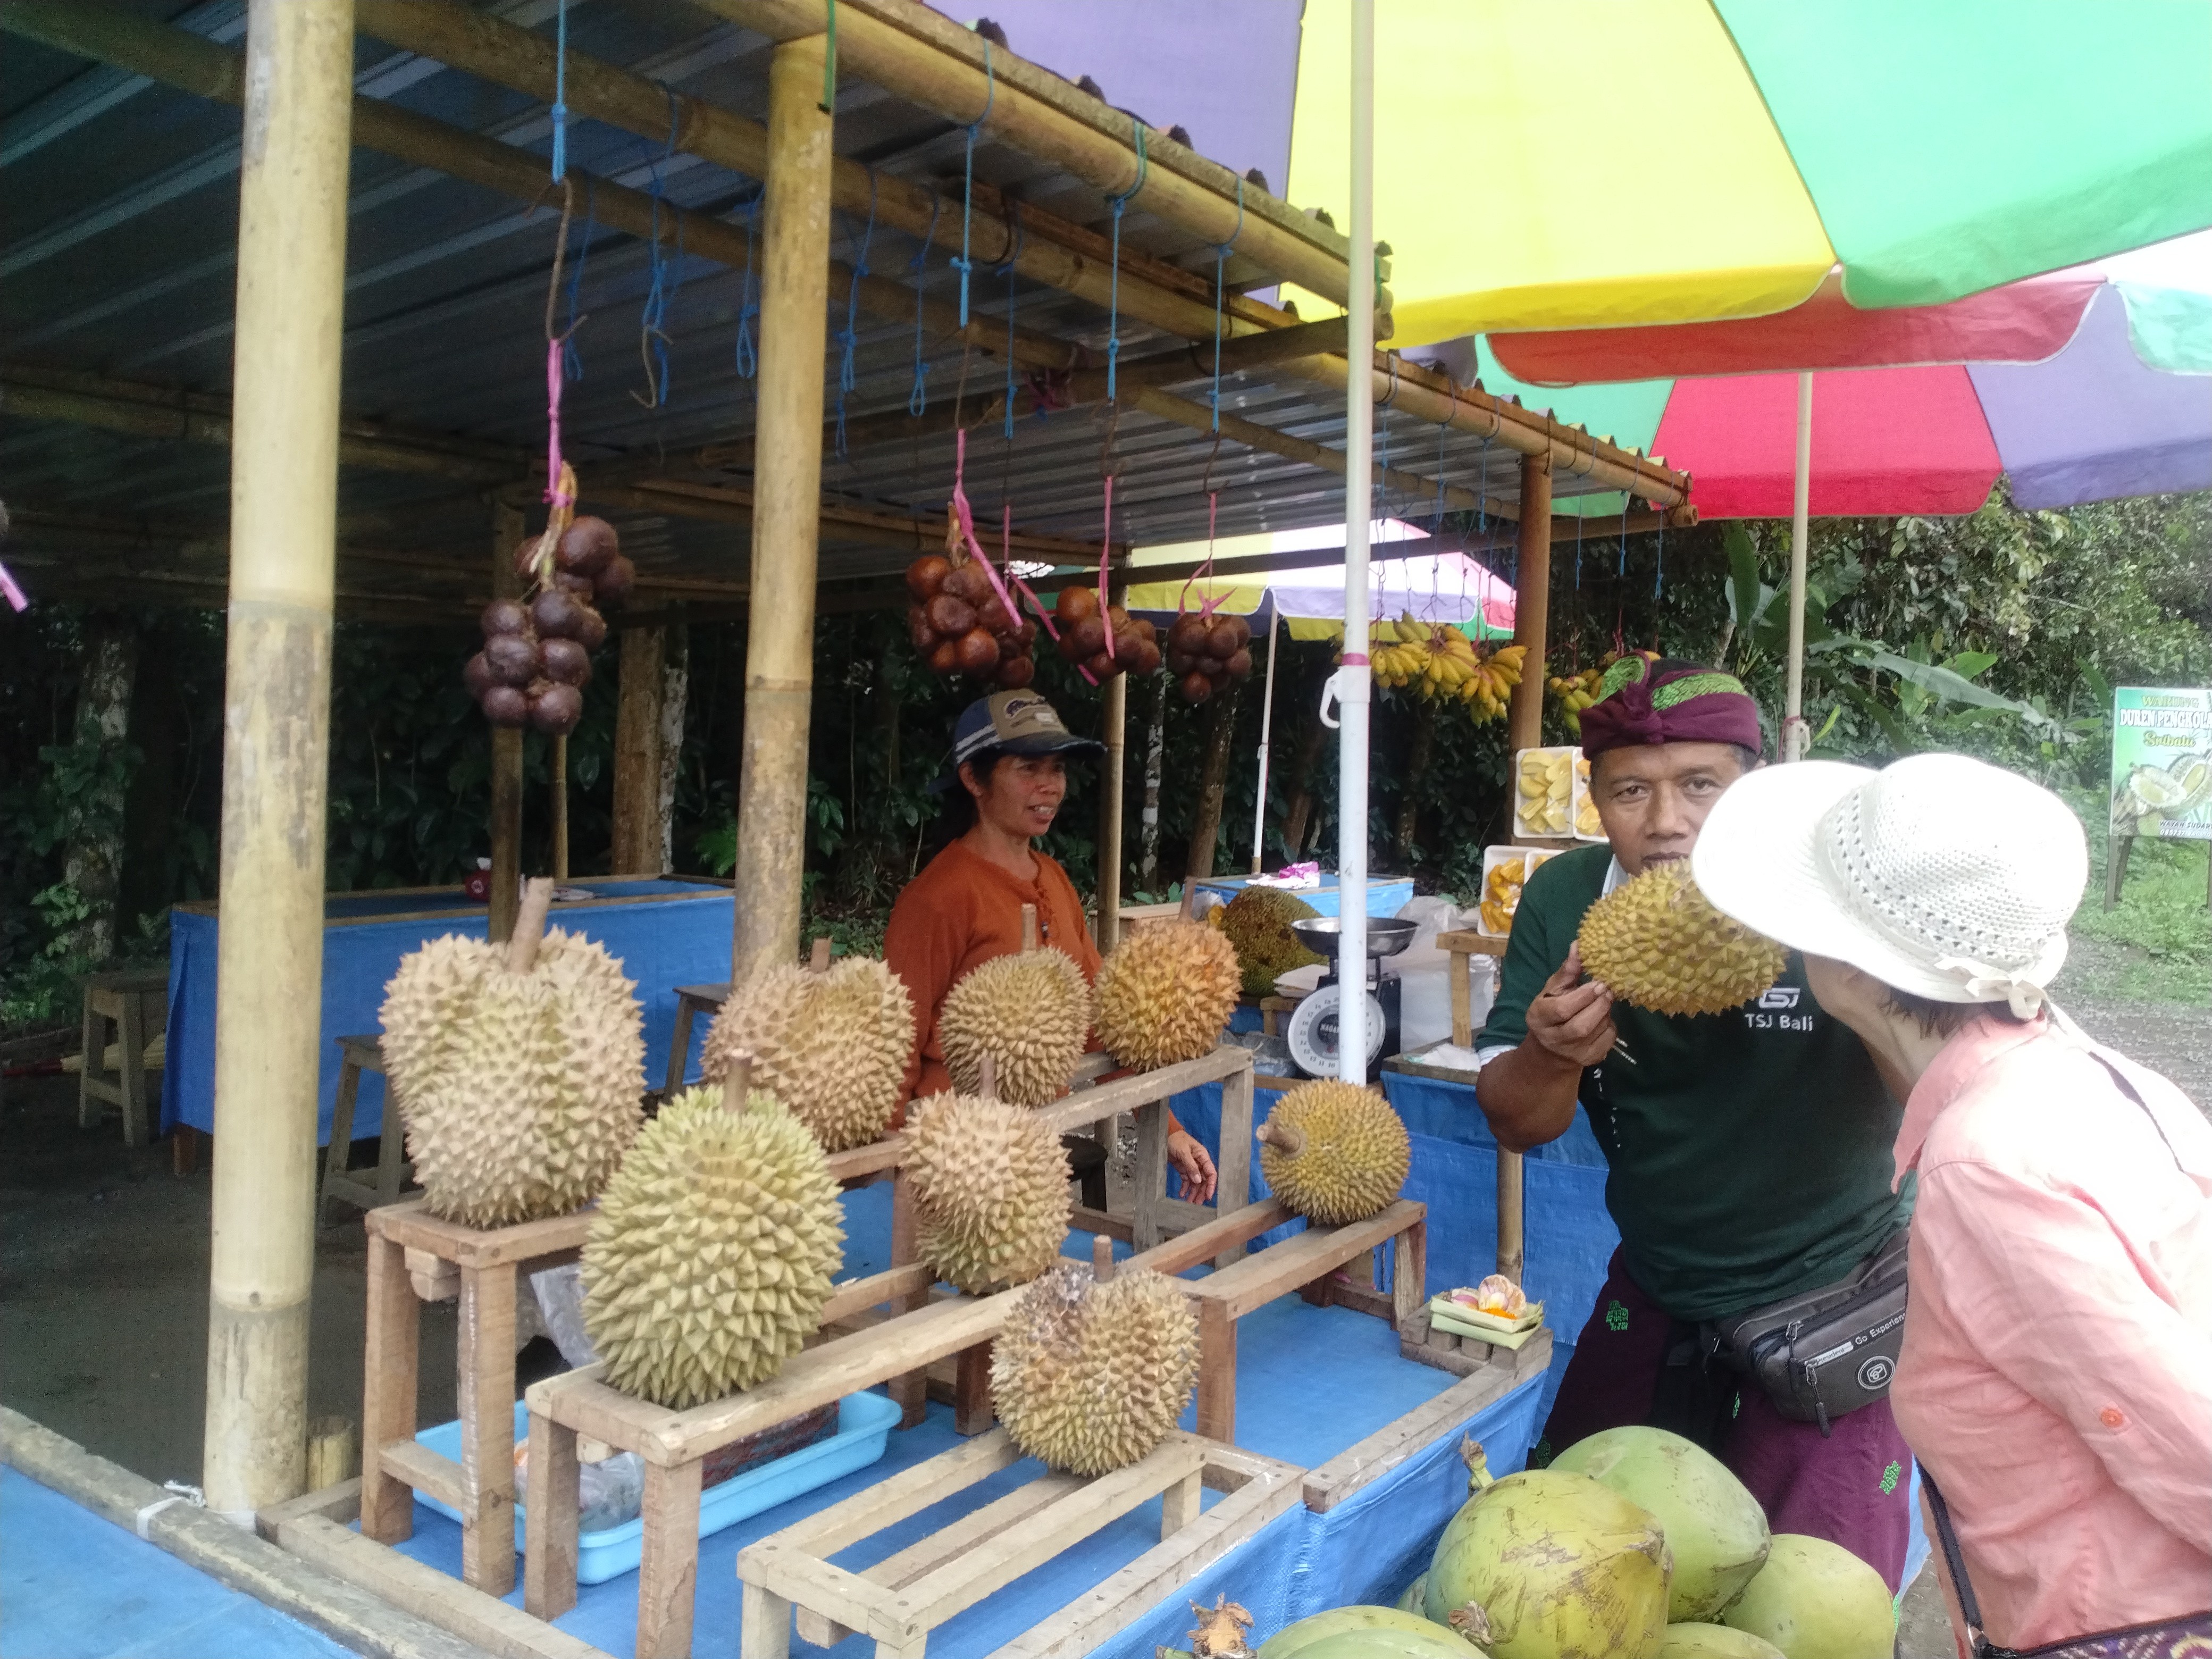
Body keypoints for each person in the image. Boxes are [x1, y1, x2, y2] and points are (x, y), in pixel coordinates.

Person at [1692, 751, 2211, 1651]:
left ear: (1851, 972)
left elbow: (2185, 1436)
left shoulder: (1988, 1168)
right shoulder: (2099, 1079)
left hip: (2120, 1625)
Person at [1474, 657, 1914, 1586]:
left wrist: (1858, 990)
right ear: (1595, 800)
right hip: (1663, 1277)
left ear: (1752, 789)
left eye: (1701, 787)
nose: (1666, 822)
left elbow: (1939, 1102)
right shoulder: (1567, 904)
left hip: (1834, 1287)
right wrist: (1552, 1053)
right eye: (1631, 790)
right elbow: (1518, 1123)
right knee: (1570, 1561)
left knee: (1816, 1595)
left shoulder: (1836, 895)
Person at [884, 690, 1218, 1203]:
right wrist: (888, 1158)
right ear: (974, 780)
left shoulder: (1055, 879)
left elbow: (1101, 1018)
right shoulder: (937, 898)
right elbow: (896, 1039)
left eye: (1057, 769)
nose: (1050, 786)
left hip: (1038, 1138)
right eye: (1028, 768)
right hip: (955, 1151)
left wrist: (1167, 1126)